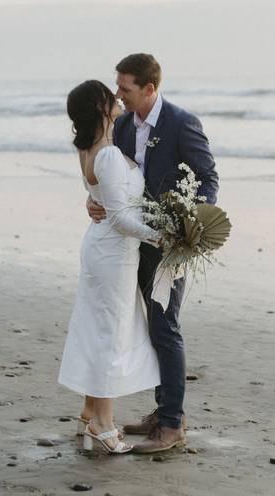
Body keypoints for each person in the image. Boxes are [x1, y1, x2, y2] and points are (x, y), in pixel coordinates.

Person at [86, 53, 218, 454]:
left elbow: (207, 178)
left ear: (149, 89)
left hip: (169, 246)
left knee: (165, 327)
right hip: (131, 242)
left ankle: (172, 425)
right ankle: (162, 411)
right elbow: (113, 181)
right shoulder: (123, 125)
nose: (118, 95)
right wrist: (95, 204)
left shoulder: (182, 122)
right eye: (118, 88)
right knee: (145, 327)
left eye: (125, 88)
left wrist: (187, 225)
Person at [58, 79, 162, 454]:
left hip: (102, 248)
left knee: (100, 328)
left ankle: (90, 411)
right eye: (110, 96)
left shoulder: (89, 149)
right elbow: (120, 218)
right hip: (113, 252)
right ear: (100, 109)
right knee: (110, 334)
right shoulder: (107, 154)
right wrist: (163, 236)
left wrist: (92, 199)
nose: (117, 98)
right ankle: (102, 423)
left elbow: (99, 195)